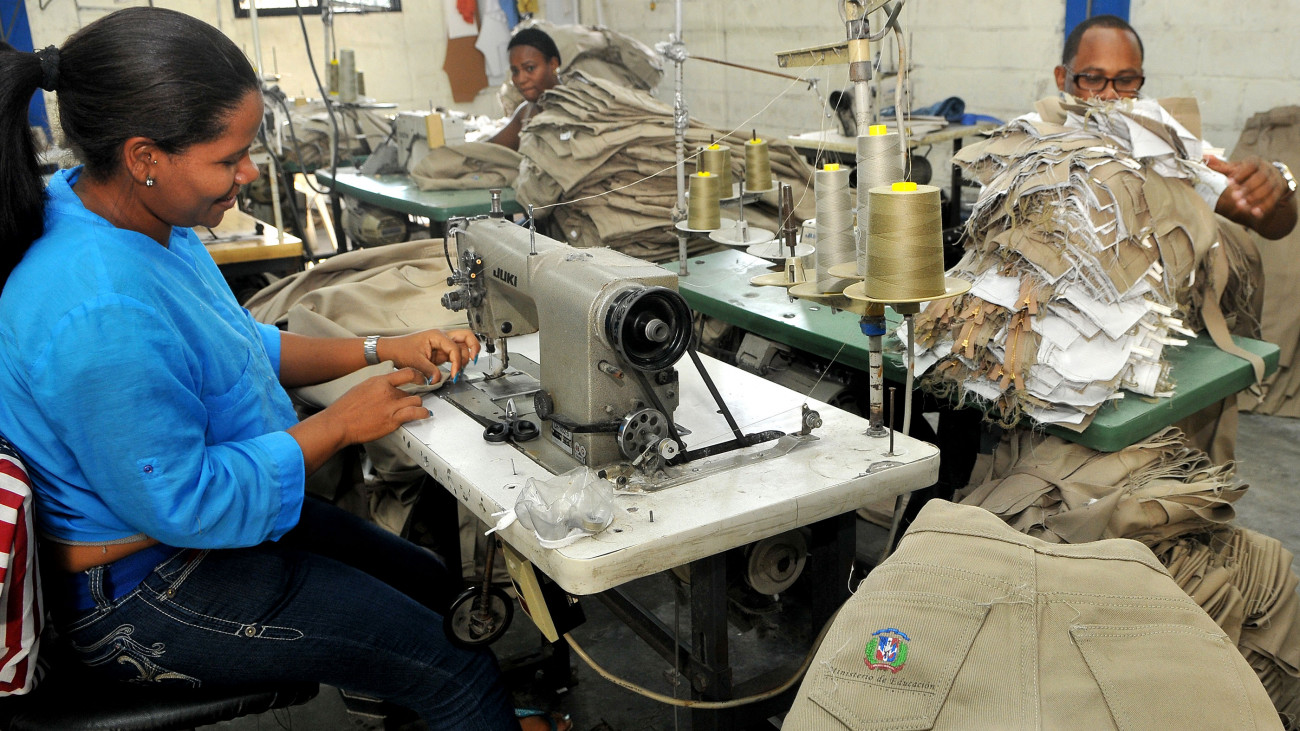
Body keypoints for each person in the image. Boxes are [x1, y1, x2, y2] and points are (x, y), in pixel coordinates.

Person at [0, 8, 568, 731]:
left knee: (429, 581)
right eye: (228, 158)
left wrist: (381, 346)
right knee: (452, 666)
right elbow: (188, 502)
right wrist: (340, 425)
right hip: (143, 588)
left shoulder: (136, 217)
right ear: (145, 157)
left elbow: (240, 345)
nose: (247, 175)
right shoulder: (99, 307)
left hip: (183, 526)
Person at [1055, 14, 1297, 241]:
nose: (1110, 94)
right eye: (1093, 79)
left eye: (1126, 80)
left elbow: (1271, 222)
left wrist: (1273, 187)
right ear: (1061, 77)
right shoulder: (1036, 137)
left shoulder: (1160, 143)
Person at [487, 27, 562, 151]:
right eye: (515, 71)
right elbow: (490, 148)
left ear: (553, 64)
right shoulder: (526, 112)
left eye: (530, 68)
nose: (521, 79)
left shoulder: (575, 109)